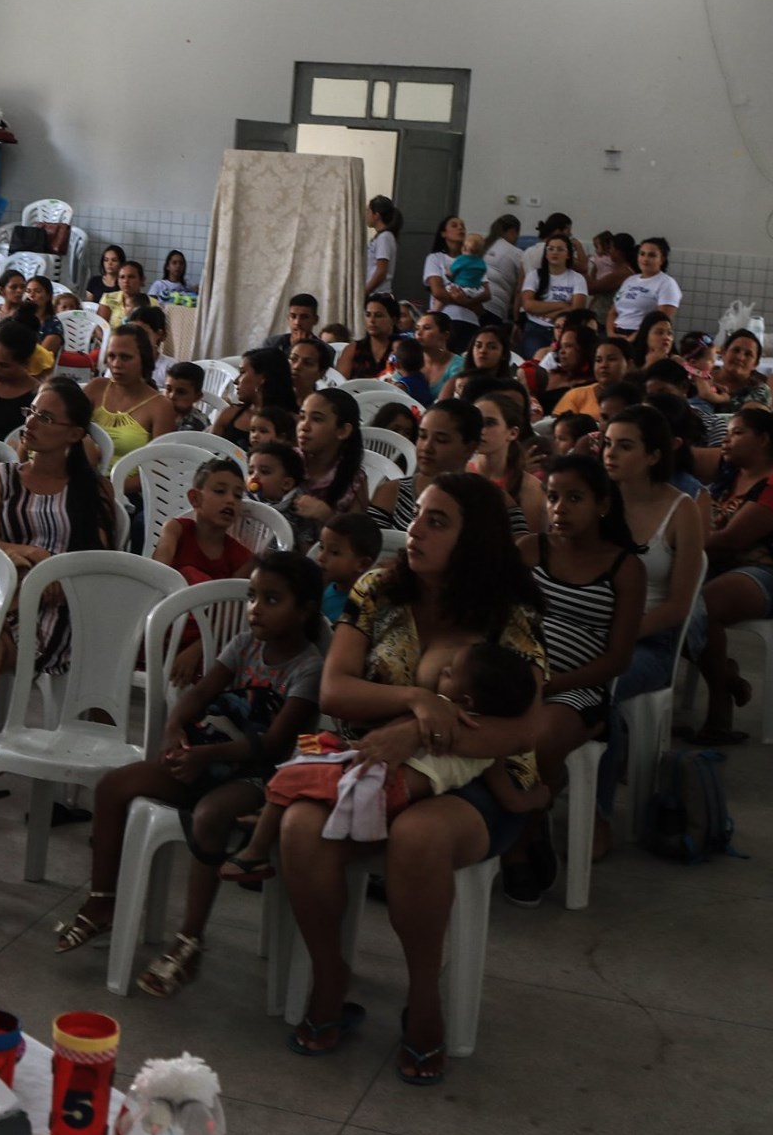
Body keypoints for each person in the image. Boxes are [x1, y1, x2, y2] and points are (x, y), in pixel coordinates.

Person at [281, 473, 546, 1082]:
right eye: (419, 514)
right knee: (298, 827)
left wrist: (419, 734)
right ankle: (330, 976)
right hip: (372, 761)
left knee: (419, 836)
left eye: (437, 521)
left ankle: (424, 997)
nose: (415, 530)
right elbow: (335, 689)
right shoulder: (378, 590)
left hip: (478, 776)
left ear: (474, 540)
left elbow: (523, 729)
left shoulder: (510, 612)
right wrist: (416, 703)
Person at [53, 552, 323, 997]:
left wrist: (204, 755)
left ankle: (190, 940)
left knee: (210, 814)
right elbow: (198, 694)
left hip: (259, 780)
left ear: (305, 611)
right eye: (253, 596)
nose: (255, 608)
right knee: (114, 786)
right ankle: (102, 902)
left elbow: (274, 746)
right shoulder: (244, 645)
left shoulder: (308, 667)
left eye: (272, 599)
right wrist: (175, 730)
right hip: (208, 759)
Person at [225, 642, 543, 881]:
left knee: (301, 770)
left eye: (449, 673)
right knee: (312, 758)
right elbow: (511, 799)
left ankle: (256, 850)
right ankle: (273, 815)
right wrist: (539, 797)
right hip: (396, 793)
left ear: (466, 700)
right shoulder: (488, 748)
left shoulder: (439, 712)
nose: (441, 672)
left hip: (383, 786)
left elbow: (388, 737)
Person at [0, 378, 117, 769]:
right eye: (31, 412)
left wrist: (50, 571)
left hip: (61, 606)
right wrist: (33, 554)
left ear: (74, 434)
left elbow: (98, 560)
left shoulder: (93, 488)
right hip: (4, 595)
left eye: (45, 418)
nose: (30, 423)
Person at [506, 454, 644, 903]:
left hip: (577, 688)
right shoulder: (530, 550)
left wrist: (551, 685)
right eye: (552, 497)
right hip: (517, 675)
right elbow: (498, 616)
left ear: (602, 505)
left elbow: (618, 659)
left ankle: (523, 840)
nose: (559, 508)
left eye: (574, 498)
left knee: (541, 738)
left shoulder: (624, 568)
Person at [596, 404, 706, 849]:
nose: (610, 454)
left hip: (649, 642)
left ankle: (598, 814)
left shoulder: (681, 510)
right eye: (607, 444)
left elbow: (679, 606)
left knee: (599, 690)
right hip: (590, 628)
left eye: (624, 446)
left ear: (654, 455)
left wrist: (619, 635)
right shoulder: (599, 501)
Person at [681, 408, 773, 745]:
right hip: (725, 570)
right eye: (727, 433)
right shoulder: (731, 475)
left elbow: (730, 541)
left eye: (737, 433)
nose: (726, 440)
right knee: (669, 602)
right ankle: (728, 677)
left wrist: (677, 545)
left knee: (701, 605)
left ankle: (720, 710)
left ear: (764, 439)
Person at [371, 398, 482, 530]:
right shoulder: (392, 493)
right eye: (422, 436)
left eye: (441, 440)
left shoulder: (485, 500)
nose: (426, 447)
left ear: (469, 448)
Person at [155, 457, 255, 585]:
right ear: (195, 499)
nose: (231, 500)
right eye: (220, 491)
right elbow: (158, 571)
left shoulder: (241, 557)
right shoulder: (176, 530)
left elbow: (231, 594)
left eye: (238, 495)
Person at [84, 325, 175, 463]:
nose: (116, 364)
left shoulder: (160, 407)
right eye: (111, 356)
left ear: (144, 359)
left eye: (125, 357)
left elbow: (160, 467)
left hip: (133, 477)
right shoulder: (96, 388)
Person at [471, 388, 547, 534]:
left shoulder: (531, 489)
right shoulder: (457, 474)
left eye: (490, 423)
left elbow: (527, 543)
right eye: (477, 422)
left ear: (512, 433)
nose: (481, 430)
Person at [295, 388, 369, 523]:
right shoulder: (284, 461)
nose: (304, 427)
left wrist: (327, 517)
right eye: (302, 417)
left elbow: (355, 533)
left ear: (343, 431)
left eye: (317, 419)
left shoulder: (355, 481)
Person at [519, 236, 589, 360]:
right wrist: (563, 306)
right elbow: (528, 305)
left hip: (565, 330)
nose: (555, 252)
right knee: (535, 362)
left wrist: (541, 310)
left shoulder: (577, 279)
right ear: (546, 254)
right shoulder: (534, 276)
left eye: (560, 249)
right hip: (536, 328)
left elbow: (576, 311)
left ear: (568, 255)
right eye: (551, 249)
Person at [211, 347, 296, 448]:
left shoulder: (292, 422)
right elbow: (208, 451)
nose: (236, 380)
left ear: (262, 378)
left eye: (242, 372)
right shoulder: (228, 414)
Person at [422, 217, 483, 352]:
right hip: (446, 319)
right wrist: (465, 302)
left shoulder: (475, 261)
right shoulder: (436, 258)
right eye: (454, 225)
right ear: (443, 233)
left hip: (471, 321)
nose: (460, 228)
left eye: (462, 226)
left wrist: (466, 301)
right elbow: (437, 292)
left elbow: (484, 294)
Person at [608, 238, 681, 339]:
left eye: (651, 255)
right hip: (617, 333)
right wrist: (611, 334)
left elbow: (662, 319)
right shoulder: (630, 280)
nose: (645, 259)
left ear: (662, 259)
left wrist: (633, 338)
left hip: (644, 336)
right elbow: (613, 312)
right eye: (642, 254)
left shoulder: (667, 283)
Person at [248, 441, 313, 551]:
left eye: (264, 472)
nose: (254, 476)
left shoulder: (298, 511)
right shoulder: (243, 500)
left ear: (286, 484)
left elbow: (307, 550)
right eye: (250, 471)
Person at [319, 512, 381, 622]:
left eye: (334, 552)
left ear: (362, 564)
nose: (321, 557)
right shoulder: (329, 585)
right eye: (321, 547)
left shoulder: (359, 610)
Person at [553, 335, 631, 419]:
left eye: (611, 359)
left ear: (629, 365)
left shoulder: (639, 397)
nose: (603, 365)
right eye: (598, 360)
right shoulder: (575, 395)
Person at [698, 328, 771, 411]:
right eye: (736, 350)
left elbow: (751, 418)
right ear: (723, 353)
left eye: (748, 354)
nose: (740, 357)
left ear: (755, 364)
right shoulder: (699, 378)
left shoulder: (759, 390)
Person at [478, 215, 524, 327]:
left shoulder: (483, 244)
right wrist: (517, 319)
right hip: (494, 307)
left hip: (472, 300)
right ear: (513, 231)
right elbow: (521, 289)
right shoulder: (516, 253)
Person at [344, 294, 402, 381]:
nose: (372, 320)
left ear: (393, 320)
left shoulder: (403, 349)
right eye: (368, 315)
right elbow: (339, 384)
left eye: (378, 315)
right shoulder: (353, 350)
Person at [413, 314, 461, 402]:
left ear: (445, 335)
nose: (419, 333)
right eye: (417, 328)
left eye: (427, 328)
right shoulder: (410, 358)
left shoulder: (458, 365)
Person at [364, 196, 401, 296]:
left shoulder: (385, 237)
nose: (366, 215)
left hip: (378, 294)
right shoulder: (380, 237)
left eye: (368, 211)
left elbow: (381, 272)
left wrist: (364, 292)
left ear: (376, 215)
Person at [165, 363, 209, 433]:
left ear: (197, 397)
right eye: (168, 389)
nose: (172, 396)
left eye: (181, 392)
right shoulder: (159, 411)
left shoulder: (195, 425)